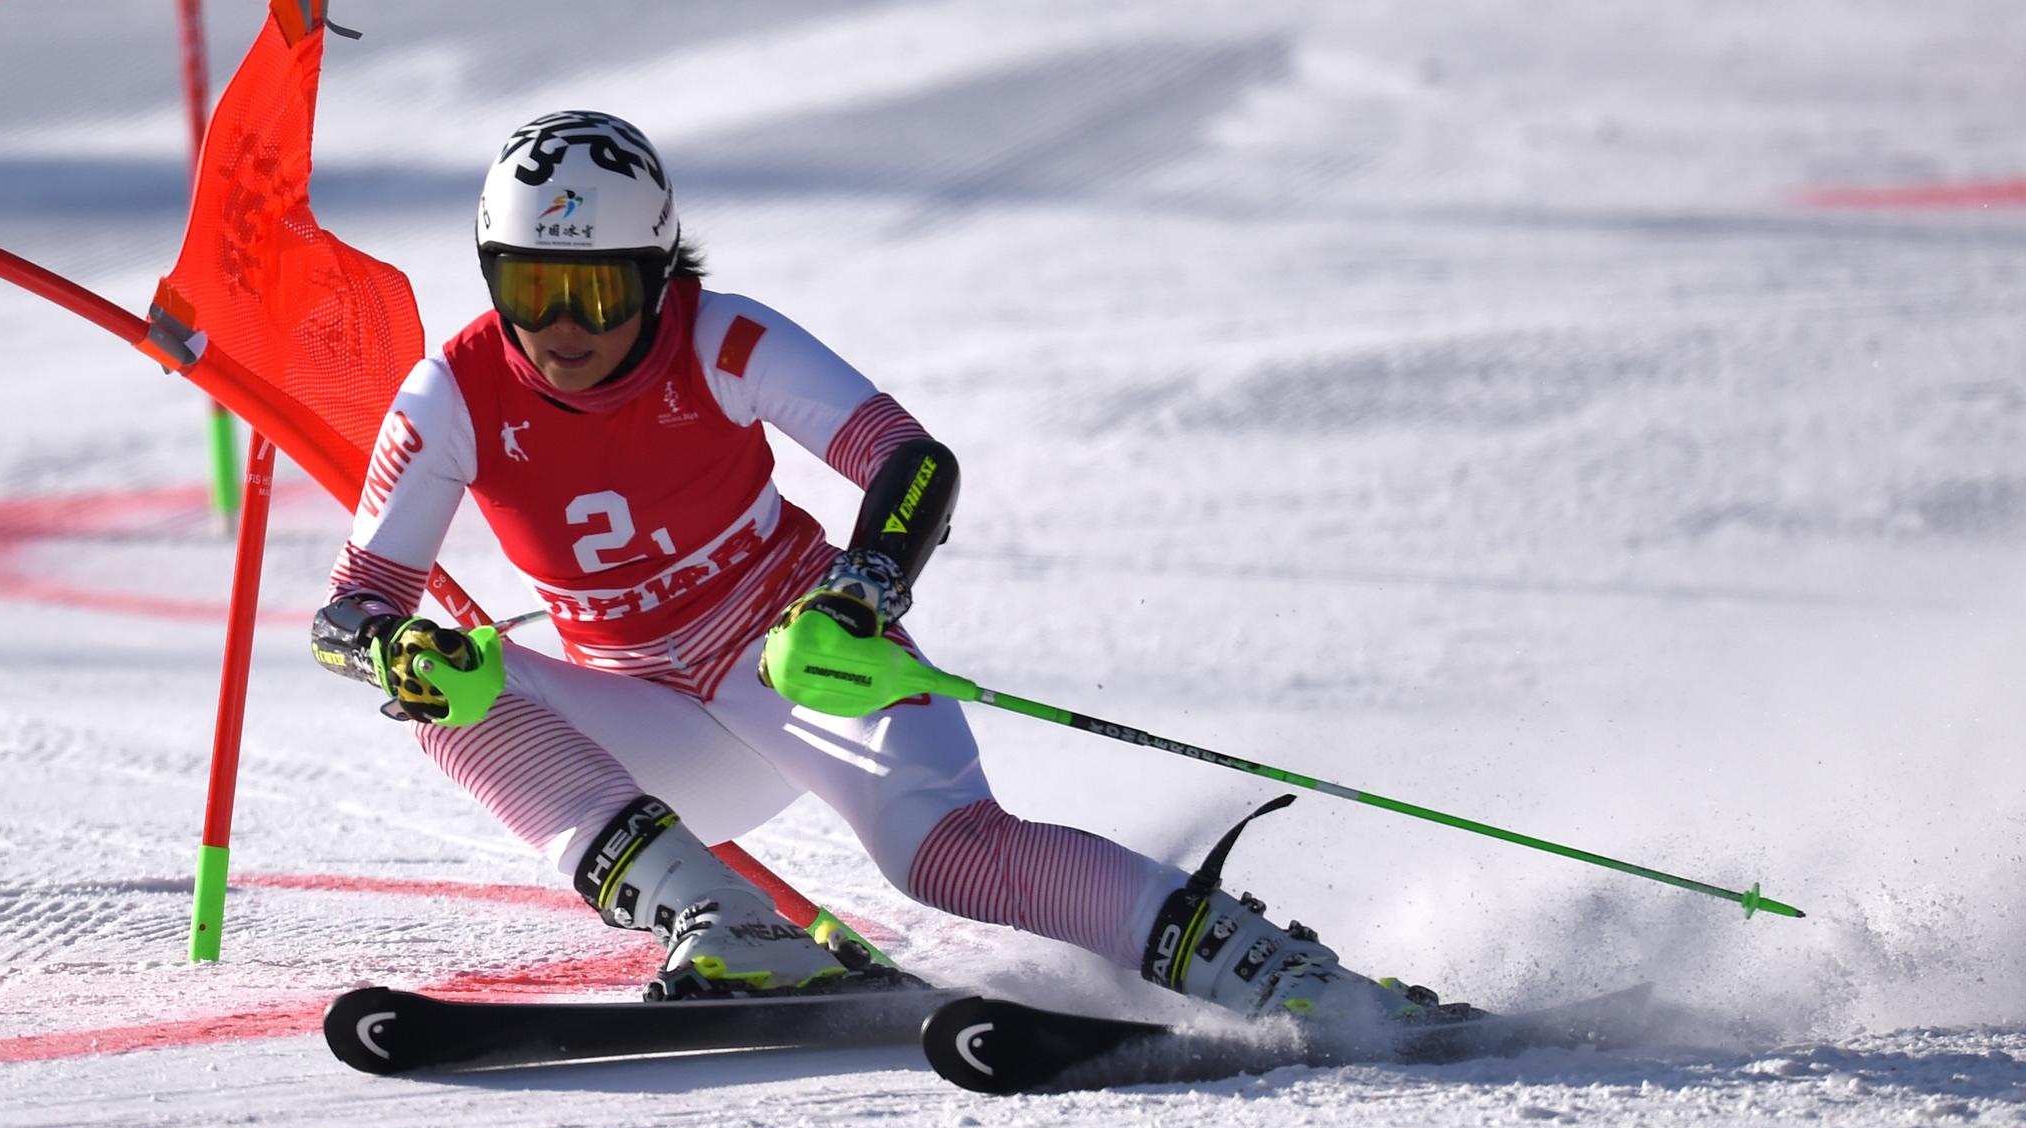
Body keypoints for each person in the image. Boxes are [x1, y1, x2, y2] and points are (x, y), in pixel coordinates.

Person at [309, 109, 1447, 1025]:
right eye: (526, 287)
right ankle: (729, 923)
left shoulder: (722, 338)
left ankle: (1277, 973)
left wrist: (860, 596)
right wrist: (398, 647)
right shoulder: (451, 393)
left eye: (596, 291)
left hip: (794, 662)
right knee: (445, 696)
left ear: (656, 275)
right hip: (653, 727)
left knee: (948, 856)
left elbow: (907, 460)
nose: (559, 328)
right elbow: (351, 608)